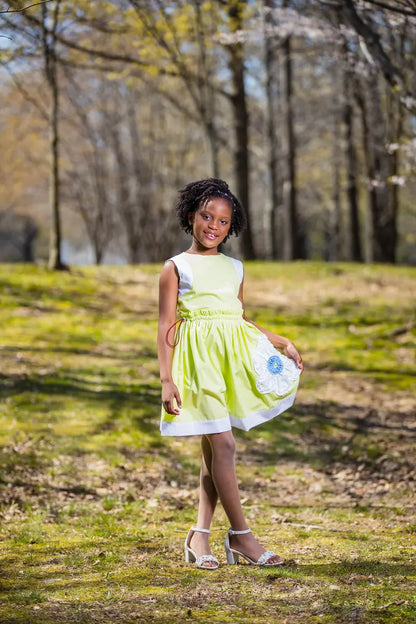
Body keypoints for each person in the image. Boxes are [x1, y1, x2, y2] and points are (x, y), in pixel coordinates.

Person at [157, 178, 303, 570]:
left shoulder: (235, 268)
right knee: (224, 446)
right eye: (206, 216)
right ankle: (242, 537)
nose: (213, 226)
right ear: (191, 216)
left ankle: (199, 536)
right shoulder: (175, 267)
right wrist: (166, 379)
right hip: (197, 367)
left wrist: (278, 340)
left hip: (228, 364)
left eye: (223, 221)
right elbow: (165, 325)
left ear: (231, 226)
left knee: (213, 450)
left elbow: (238, 319)